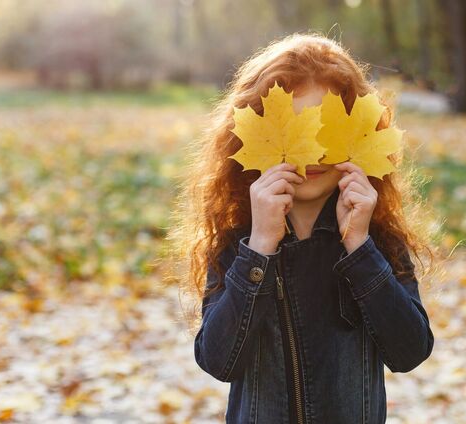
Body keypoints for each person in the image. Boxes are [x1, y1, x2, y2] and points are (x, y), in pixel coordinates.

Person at [167, 32, 437, 424]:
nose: (311, 152)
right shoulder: (239, 241)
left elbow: (409, 351)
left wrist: (360, 250)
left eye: (327, 130)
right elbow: (219, 361)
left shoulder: (374, 239)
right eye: (295, 130)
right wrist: (259, 248)